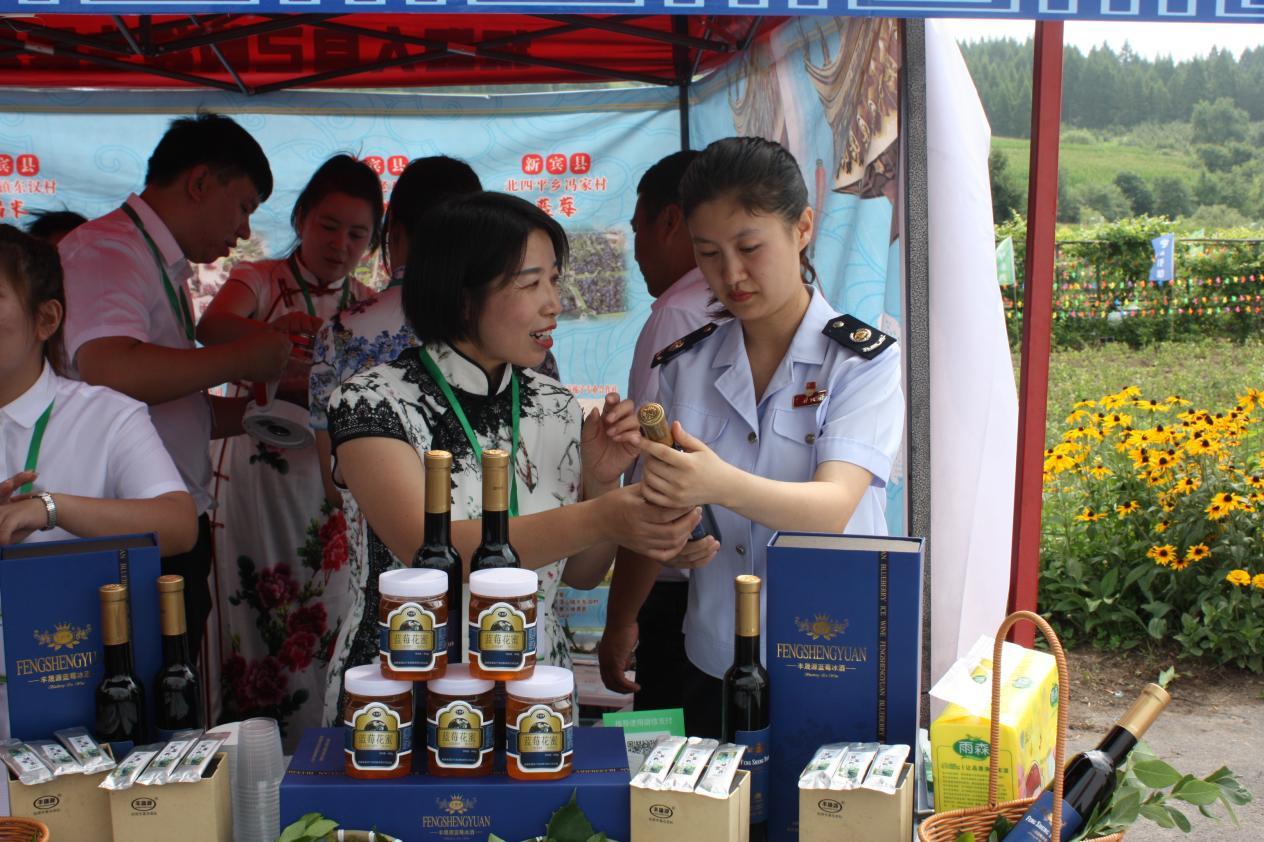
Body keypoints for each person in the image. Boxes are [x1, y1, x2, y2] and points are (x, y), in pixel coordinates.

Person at [322, 192, 702, 721]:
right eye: (530, 283)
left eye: (554, 279)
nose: (554, 302)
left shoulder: (556, 405)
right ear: (461, 297)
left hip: (534, 695)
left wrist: (600, 482)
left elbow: (582, 574)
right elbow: (429, 550)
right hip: (398, 696)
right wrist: (603, 513)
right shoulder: (373, 401)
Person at [603, 137, 905, 737]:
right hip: (713, 652)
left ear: (802, 228)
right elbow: (656, 506)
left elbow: (832, 507)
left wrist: (718, 483)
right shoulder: (683, 363)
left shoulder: (860, 362)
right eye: (708, 253)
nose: (731, 275)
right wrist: (627, 613)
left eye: (749, 248)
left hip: (830, 653)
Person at [58, 113, 289, 663]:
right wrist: (242, 354)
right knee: (145, 699)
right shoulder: (108, 251)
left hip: (168, 526)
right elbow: (113, 370)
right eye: (243, 207)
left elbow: (168, 401)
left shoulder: (158, 262)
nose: (242, 232)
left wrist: (270, 414)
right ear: (200, 182)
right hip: (127, 533)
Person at [196, 154, 381, 744]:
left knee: (323, 611)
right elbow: (213, 328)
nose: (340, 243)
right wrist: (272, 339)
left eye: (357, 234)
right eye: (328, 226)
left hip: (326, 483)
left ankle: (312, 751)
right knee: (246, 605)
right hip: (253, 475)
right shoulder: (260, 278)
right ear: (301, 219)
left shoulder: (368, 306)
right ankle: (241, 755)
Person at [598, 149, 715, 711]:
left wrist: (620, 620)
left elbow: (658, 471)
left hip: (679, 581)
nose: (637, 250)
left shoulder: (676, 316)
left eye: (638, 228)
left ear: (670, 221)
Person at [309, 156, 484, 510]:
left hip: (372, 554)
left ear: (395, 232)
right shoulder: (509, 331)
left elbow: (335, 487)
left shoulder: (340, 332)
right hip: (485, 548)